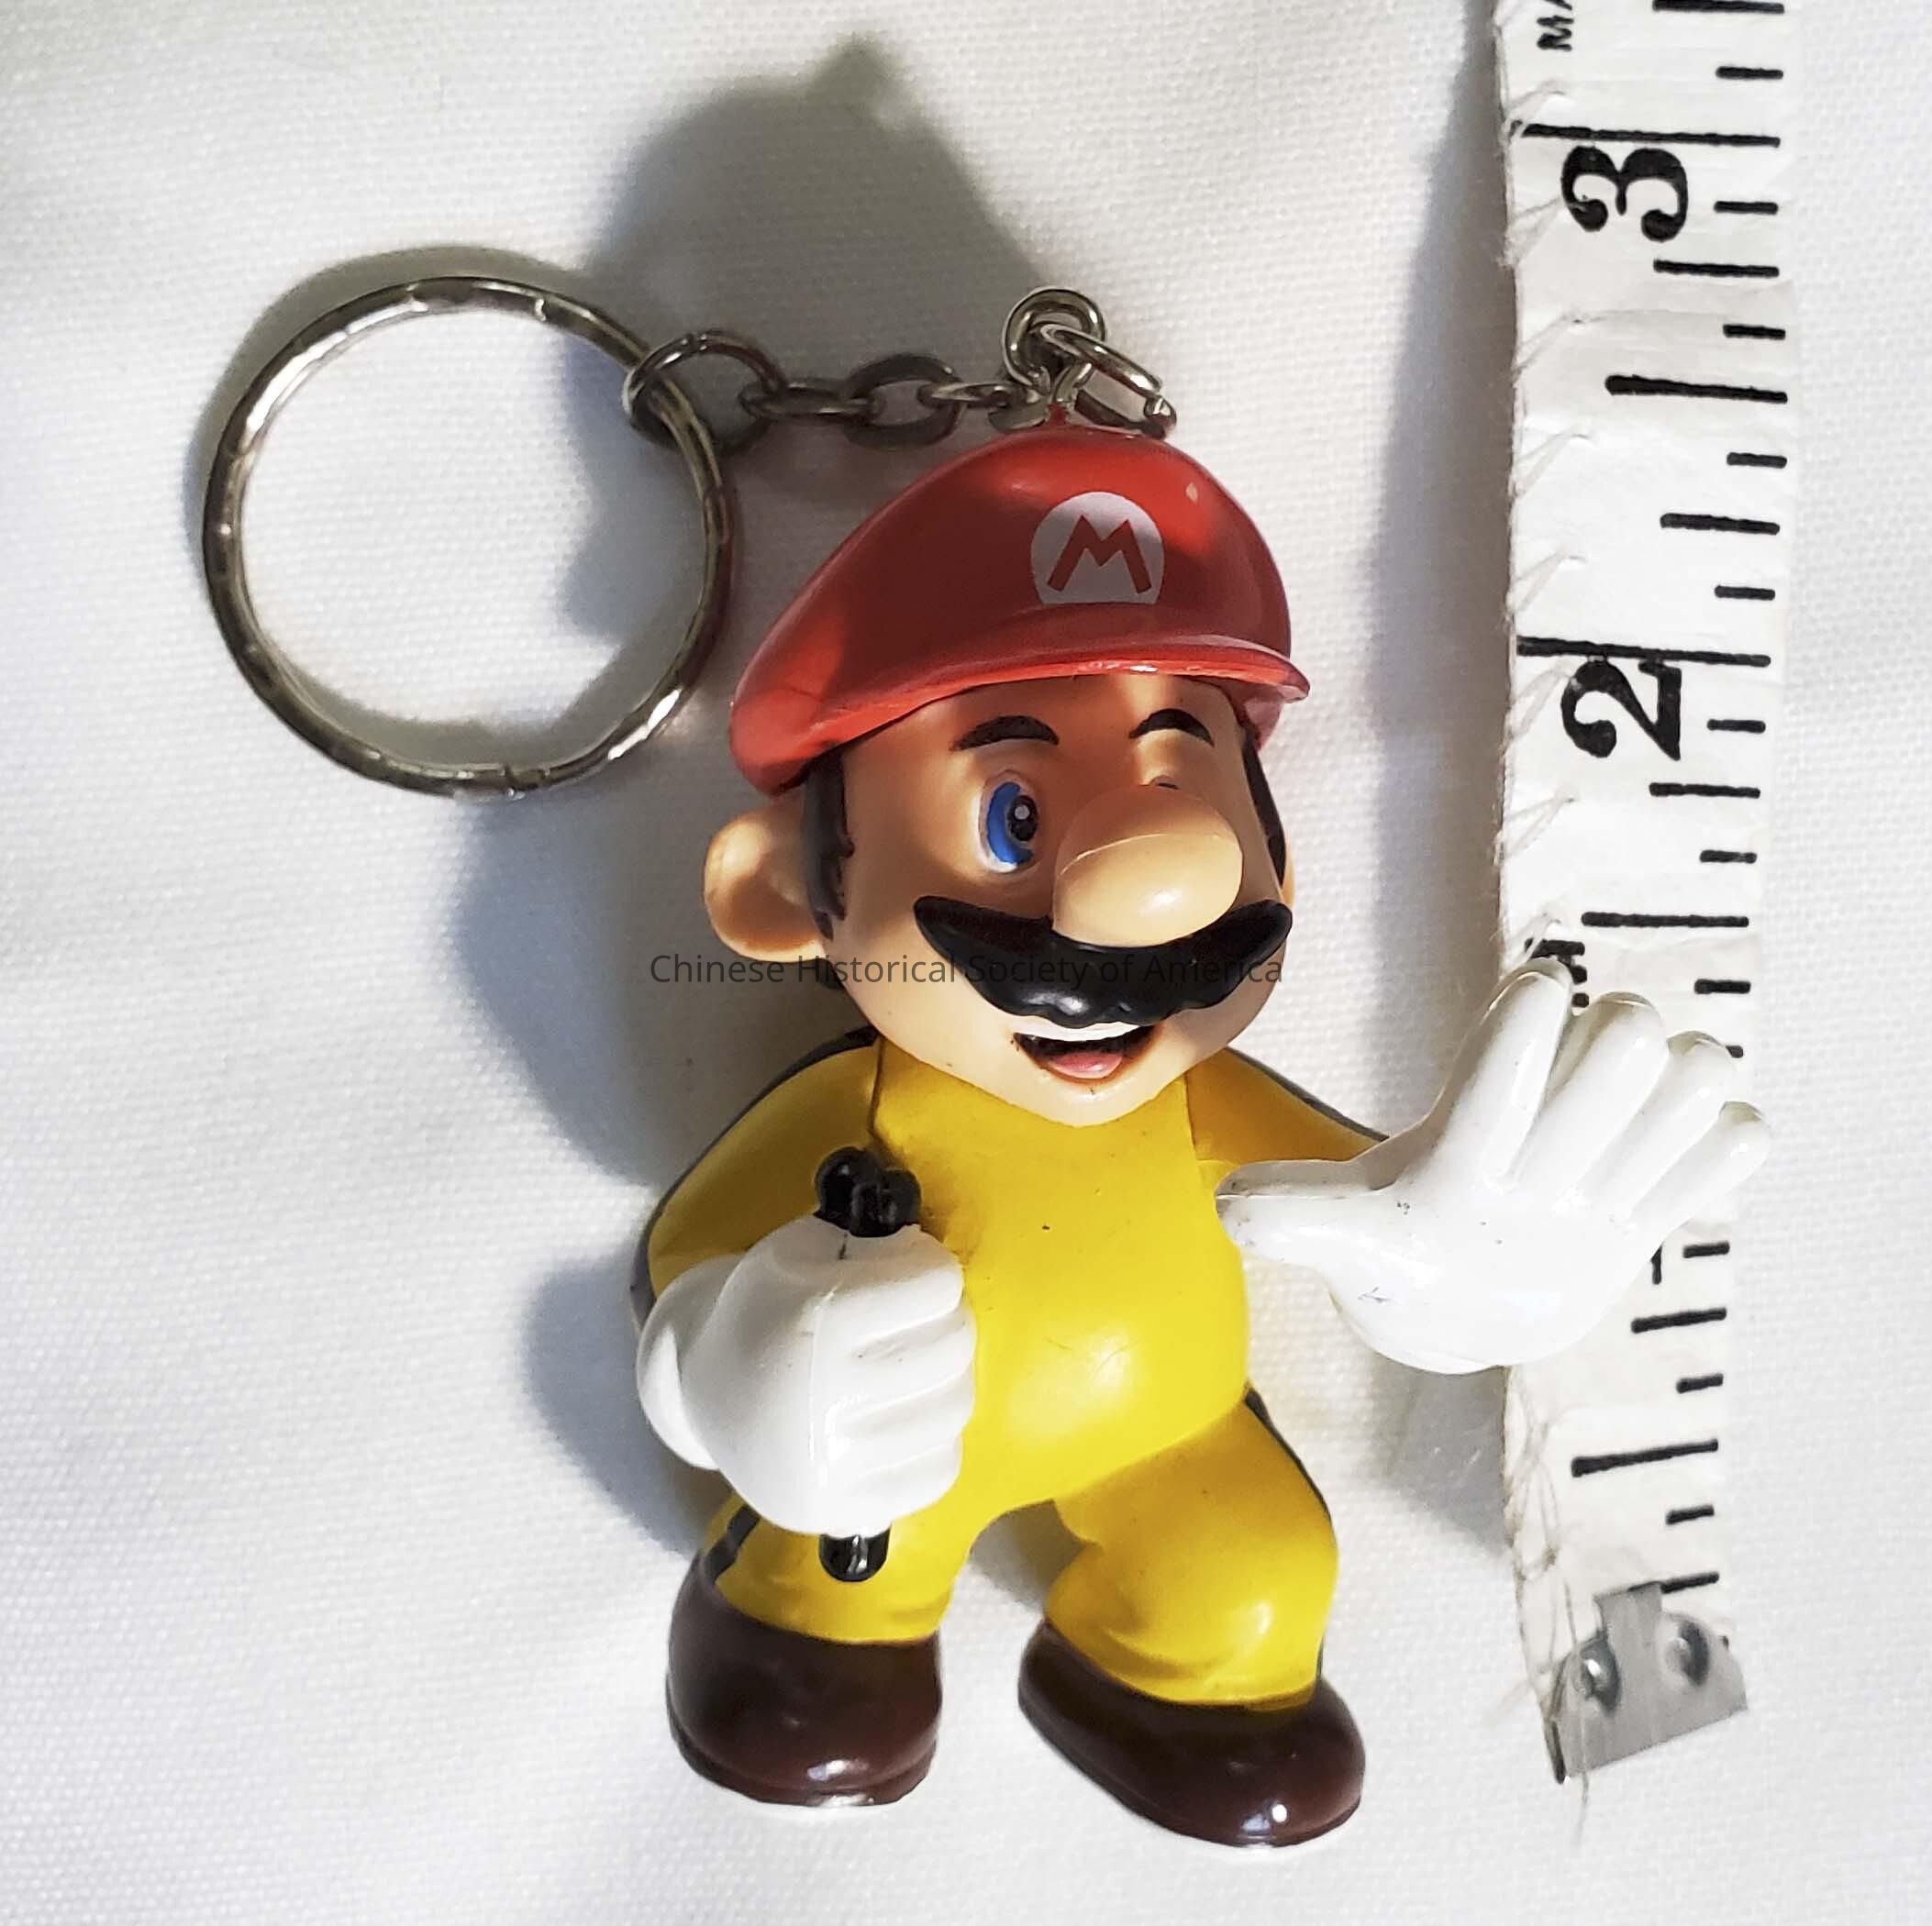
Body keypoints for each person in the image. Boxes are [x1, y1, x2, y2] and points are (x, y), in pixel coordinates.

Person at [632, 420, 1767, 1846]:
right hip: (891, 1464)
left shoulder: (1202, 1097)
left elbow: (1374, 1195)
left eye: (1186, 792)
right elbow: (681, 1269)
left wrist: (1457, 1276)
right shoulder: (854, 1115)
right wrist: (723, 1375)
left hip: (1171, 1436)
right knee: (826, 1554)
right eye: (1013, 813)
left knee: (1258, 1566)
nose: (1146, 895)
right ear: (778, 892)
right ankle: (805, 1651)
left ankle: (1174, 1685)